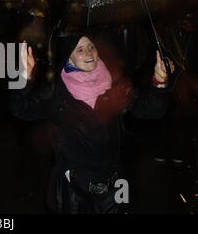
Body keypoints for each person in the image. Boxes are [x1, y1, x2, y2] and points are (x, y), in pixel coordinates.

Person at [10, 32, 175, 214]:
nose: (89, 53)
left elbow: (151, 109)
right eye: (80, 49)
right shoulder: (57, 94)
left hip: (114, 187)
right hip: (75, 190)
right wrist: (22, 76)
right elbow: (21, 108)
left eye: (91, 47)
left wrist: (160, 82)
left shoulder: (115, 86)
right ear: (69, 57)